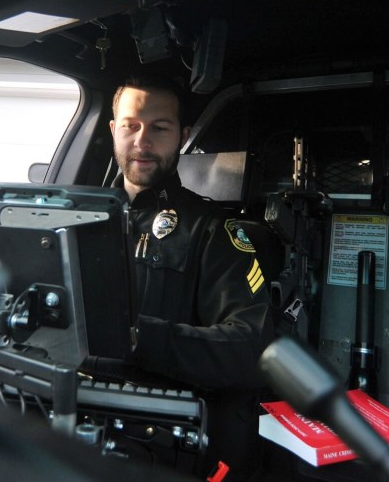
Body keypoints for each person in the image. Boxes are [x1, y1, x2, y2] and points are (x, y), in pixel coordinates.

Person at [107, 74, 276, 480]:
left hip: (158, 441)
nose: (142, 141)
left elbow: (252, 347)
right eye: (131, 125)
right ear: (114, 130)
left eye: (159, 128)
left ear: (182, 136)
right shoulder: (75, 220)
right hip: (66, 415)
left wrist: (133, 336)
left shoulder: (216, 231)